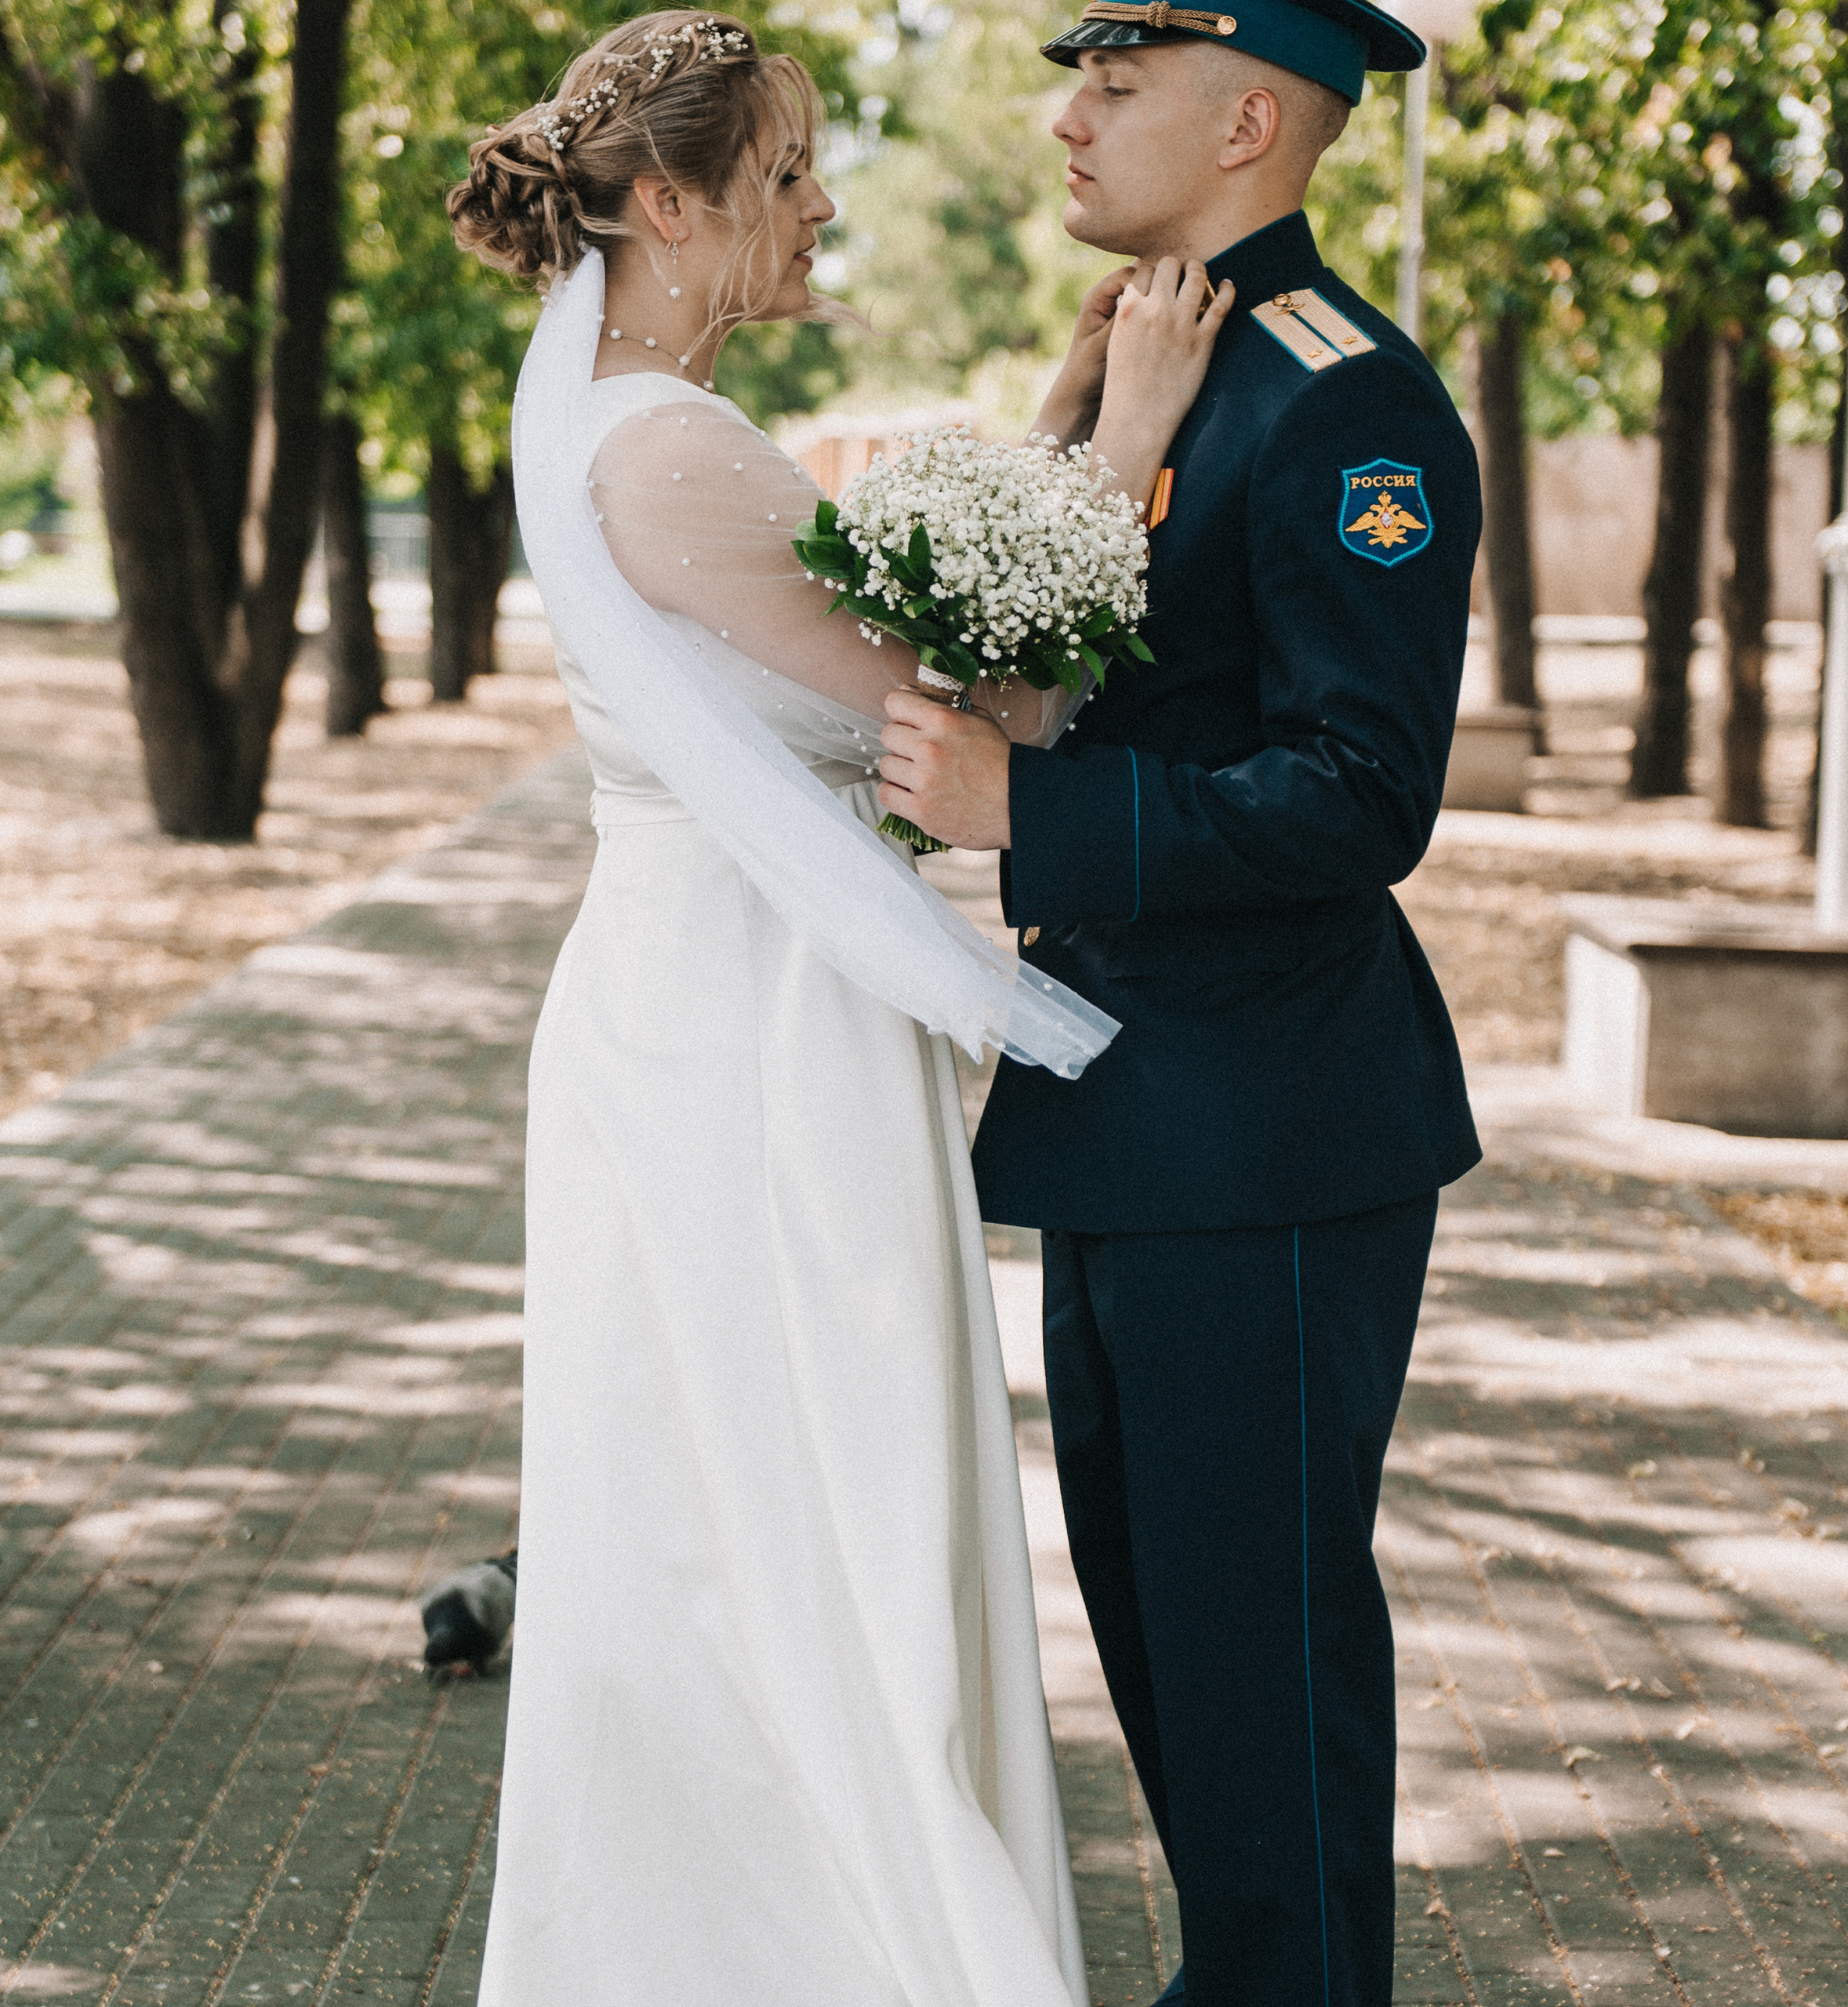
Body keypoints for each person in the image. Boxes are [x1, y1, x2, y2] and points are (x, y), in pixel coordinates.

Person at [445, 13, 1229, 2002]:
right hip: (748, 1038)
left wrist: (1049, 423)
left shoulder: (639, 424)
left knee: (746, 1502)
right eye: (784, 174)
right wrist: (1123, 444)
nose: (816, 208)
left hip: (718, 999)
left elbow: (902, 665)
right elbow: (972, 719)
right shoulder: (668, 448)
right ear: (667, 203)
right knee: (800, 1505)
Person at [877, 2, 1483, 2002]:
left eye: (1115, 87)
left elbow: (1360, 790)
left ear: (1246, 123)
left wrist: (1029, 810)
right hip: (1134, 1106)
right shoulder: (1152, 366)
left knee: (1257, 1647)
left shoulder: (1341, 402)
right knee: (1159, 1629)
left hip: (1272, 1122)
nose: (1067, 119)